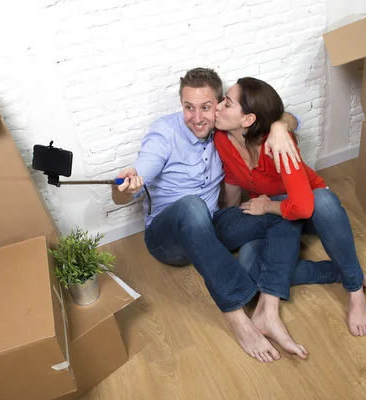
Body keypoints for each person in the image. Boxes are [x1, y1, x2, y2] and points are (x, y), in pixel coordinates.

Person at [112, 68, 341, 362]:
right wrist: (128, 184)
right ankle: (237, 317)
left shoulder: (224, 127)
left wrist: (281, 127)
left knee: (282, 206)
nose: (197, 117)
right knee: (192, 205)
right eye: (188, 107)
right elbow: (142, 169)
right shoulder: (165, 133)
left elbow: (287, 115)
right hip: (168, 237)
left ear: (219, 105)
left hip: (211, 226)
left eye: (206, 107)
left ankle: (284, 301)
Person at [214, 77, 366, 337]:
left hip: (308, 207)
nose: (217, 108)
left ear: (247, 120)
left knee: (323, 201)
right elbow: (233, 178)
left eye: (226, 103)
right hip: (276, 214)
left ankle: (355, 289)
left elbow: (302, 206)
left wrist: (268, 207)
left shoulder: (278, 143)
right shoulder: (223, 139)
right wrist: (235, 217)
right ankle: (341, 271)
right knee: (249, 269)